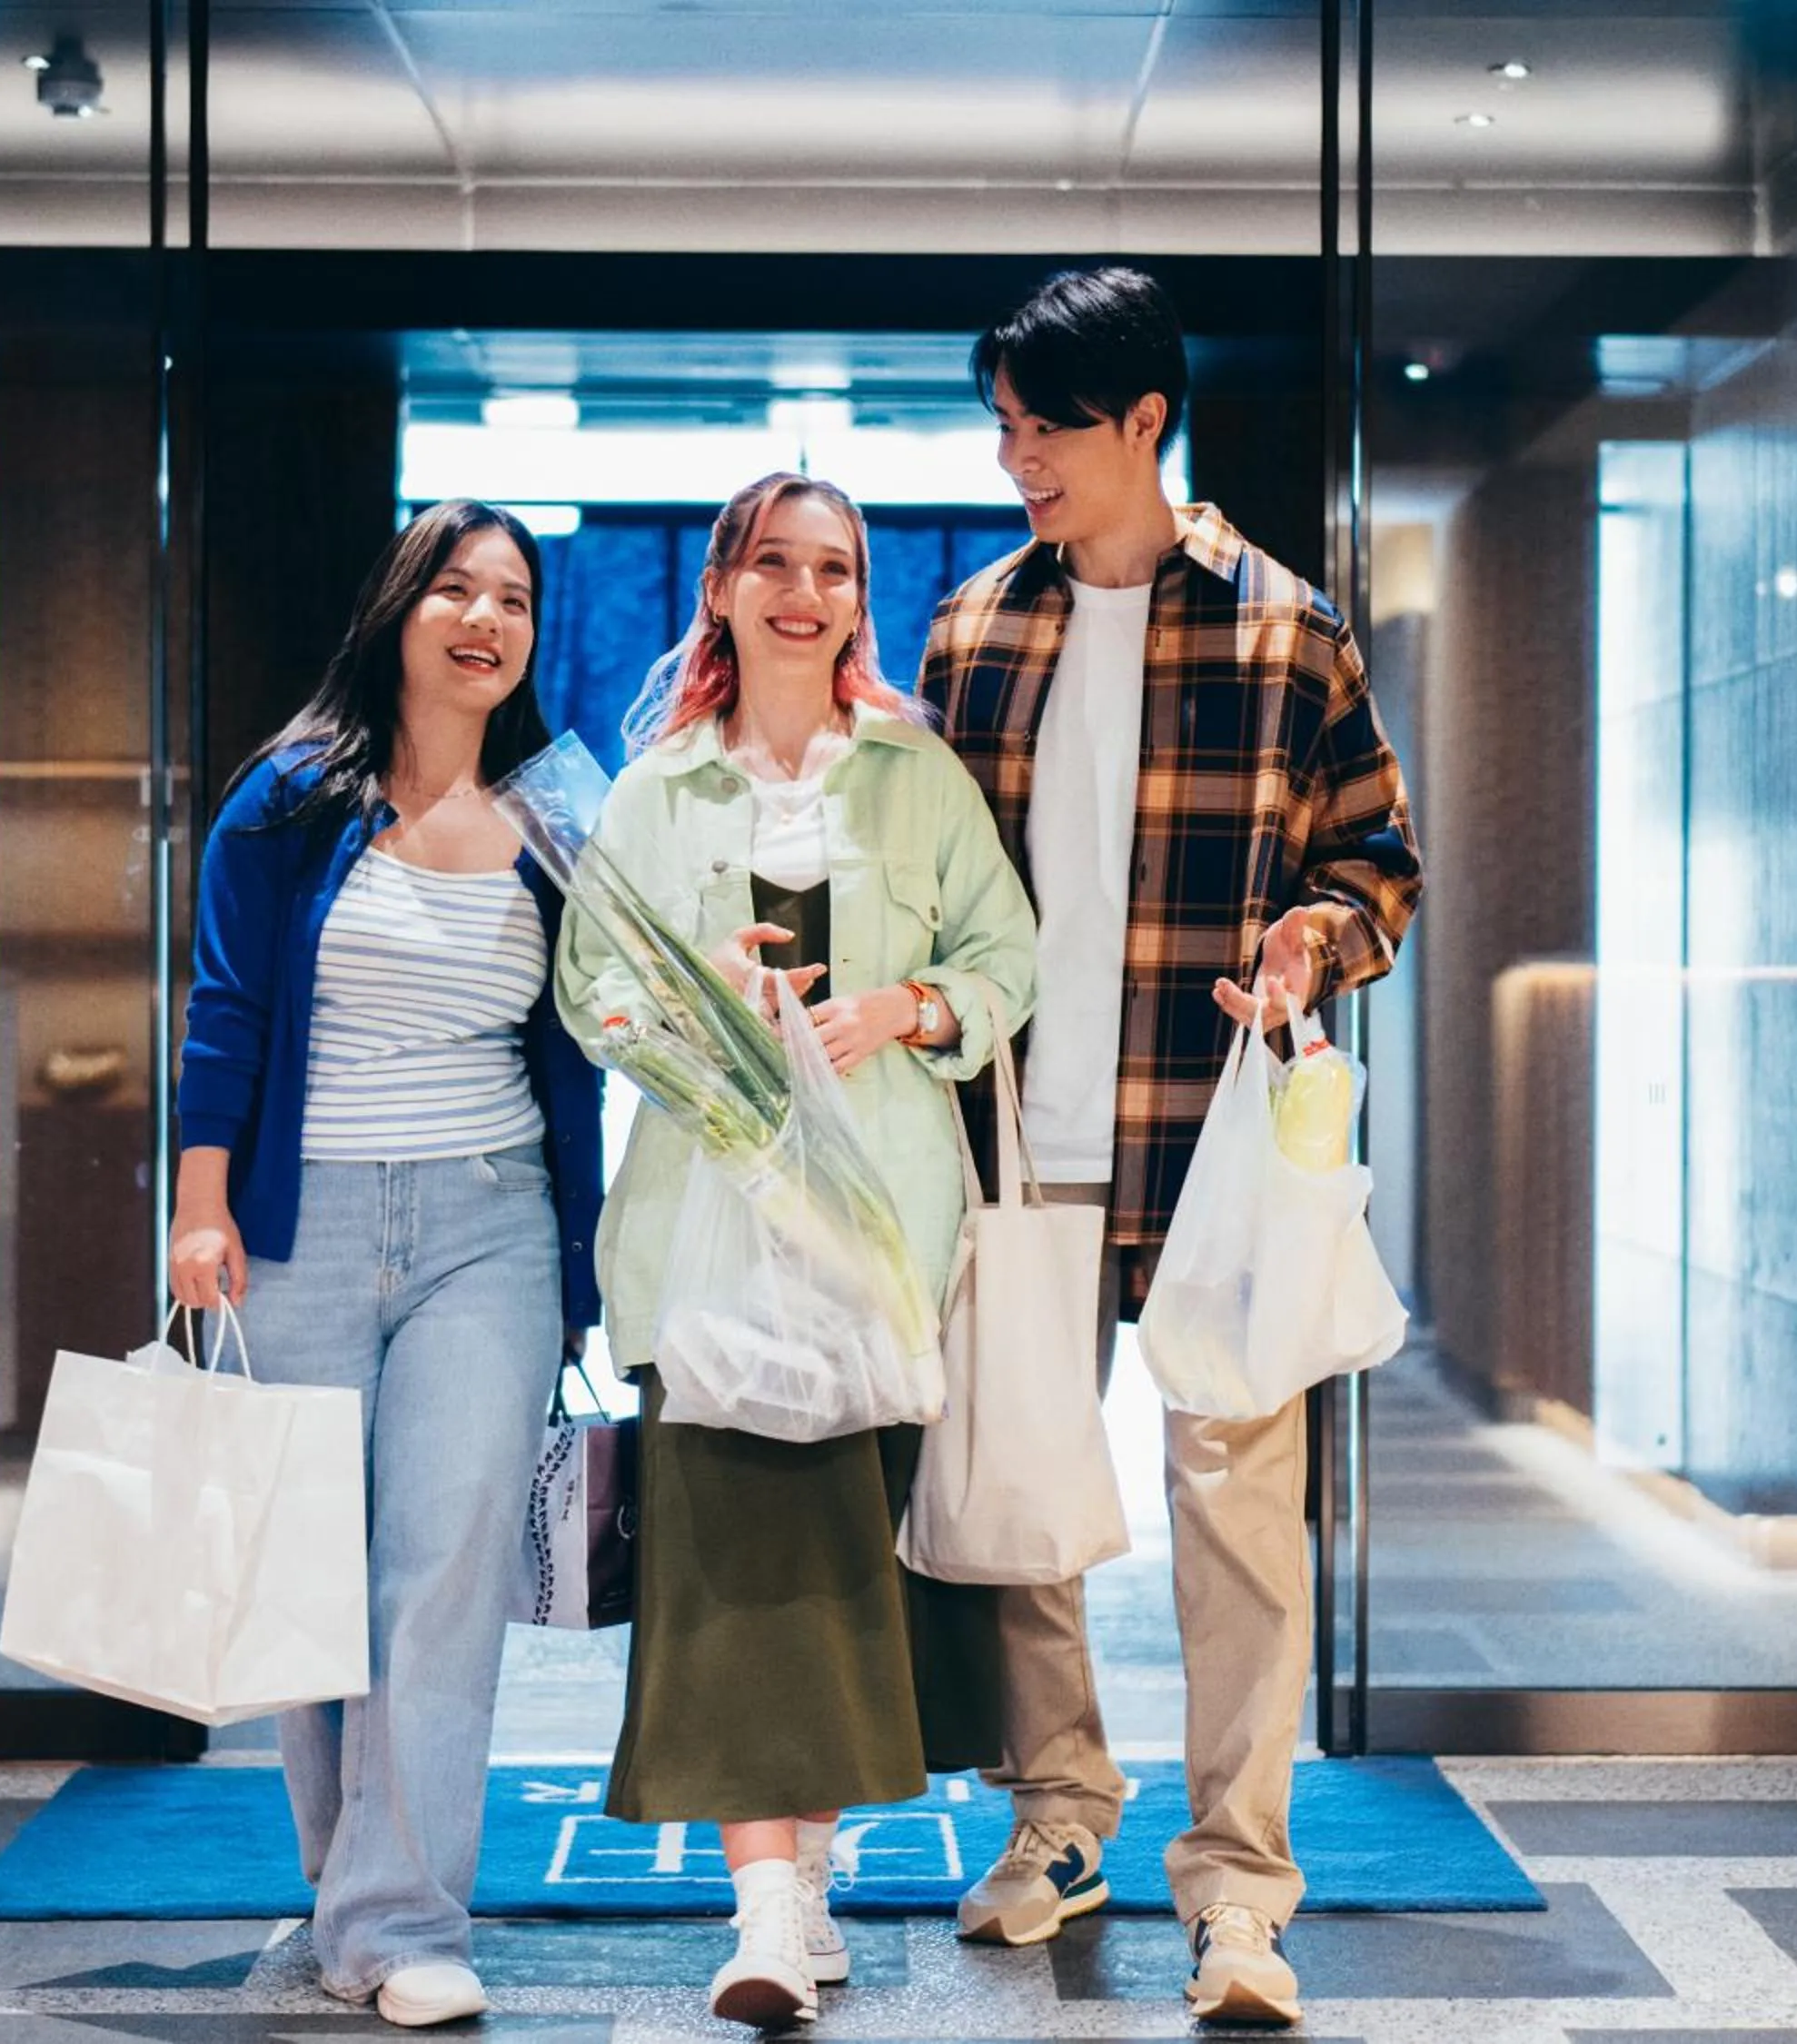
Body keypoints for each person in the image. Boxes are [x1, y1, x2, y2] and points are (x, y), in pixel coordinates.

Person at [923, 268, 1423, 2029]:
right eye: (1002, 428)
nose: (1017, 462)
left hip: (1214, 1147)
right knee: (1029, 1505)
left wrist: (1313, 940)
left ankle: (1240, 1892)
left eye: (1043, 427)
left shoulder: (1290, 629)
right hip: (1024, 1136)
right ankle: (1059, 1817)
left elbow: (1381, 864)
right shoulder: (974, 630)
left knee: (1242, 1517)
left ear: (1143, 420)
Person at [555, 473, 1037, 2029]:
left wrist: (900, 1008)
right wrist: (701, 995)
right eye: (775, 563)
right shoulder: (655, 790)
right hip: (705, 1244)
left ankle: (804, 1883)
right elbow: (590, 991)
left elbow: (1005, 957)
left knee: (840, 1573)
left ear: (855, 597)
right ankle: (763, 1907)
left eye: (833, 568)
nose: (805, 593)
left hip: (877, 1232)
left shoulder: (915, 774)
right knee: (718, 1570)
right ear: (721, 586)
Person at [166, 500, 603, 2029]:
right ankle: (347, 1878)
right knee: (316, 1581)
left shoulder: (557, 821)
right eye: (457, 590)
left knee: (446, 1572)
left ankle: (404, 1916)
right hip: (303, 1222)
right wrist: (198, 1204)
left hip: (490, 1227)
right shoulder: (289, 802)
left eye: (516, 600)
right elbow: (224, 1012)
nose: (487, 620)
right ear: (399, 609)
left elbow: (598, 1034)